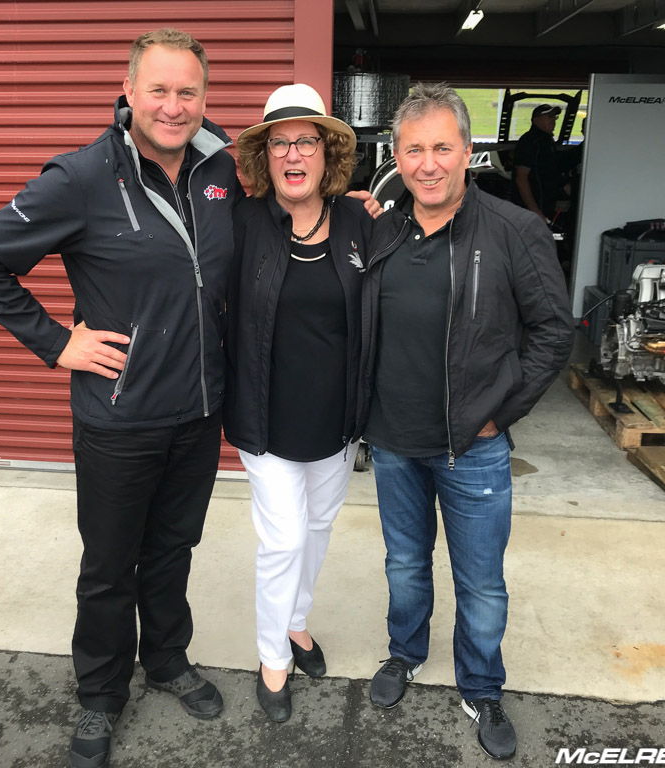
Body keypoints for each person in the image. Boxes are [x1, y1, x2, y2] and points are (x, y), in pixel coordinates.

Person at [0, 28, 241, 768]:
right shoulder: (83, 177)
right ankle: (101, 694)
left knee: (174, 549)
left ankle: (169, 660)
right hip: (120, 418)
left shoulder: (222, 171)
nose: (174, 106)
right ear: (129, 90)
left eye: (188, 91)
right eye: (160, 90)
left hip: (199, 413)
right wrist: (57, 343)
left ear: (204, 96)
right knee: (111, 564)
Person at [358, 84, 573, 761]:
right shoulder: (381, 228)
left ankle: (481, 687)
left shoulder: (515, 229)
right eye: (414, 150)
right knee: (404, 563)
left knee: (480, 580)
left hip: (472, 449)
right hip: (393, 440)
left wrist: (499, 415)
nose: (428, 164)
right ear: (397, 155)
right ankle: (405, 653)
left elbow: (553, 332)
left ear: (468, 152)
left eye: (442, 148)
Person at [224, 84, 373, 722]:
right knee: (283, 539)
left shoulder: (363, 221)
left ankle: (297, 621)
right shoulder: (240, 219)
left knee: (316, 529)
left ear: (327, 152)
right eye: (279, 142)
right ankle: (271, 658)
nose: (292, 154)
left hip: (336, 419)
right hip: (266, 413)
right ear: (264, 154)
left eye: (305, 141)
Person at [511, 103, 563, 222]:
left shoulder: (547, 142)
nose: (553, 121)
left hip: (545, 206)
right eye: (549, 117)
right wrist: (535, 211)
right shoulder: (530, 142)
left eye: (555, 117)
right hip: (530, 210)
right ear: (536, 120)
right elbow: (521, 178)